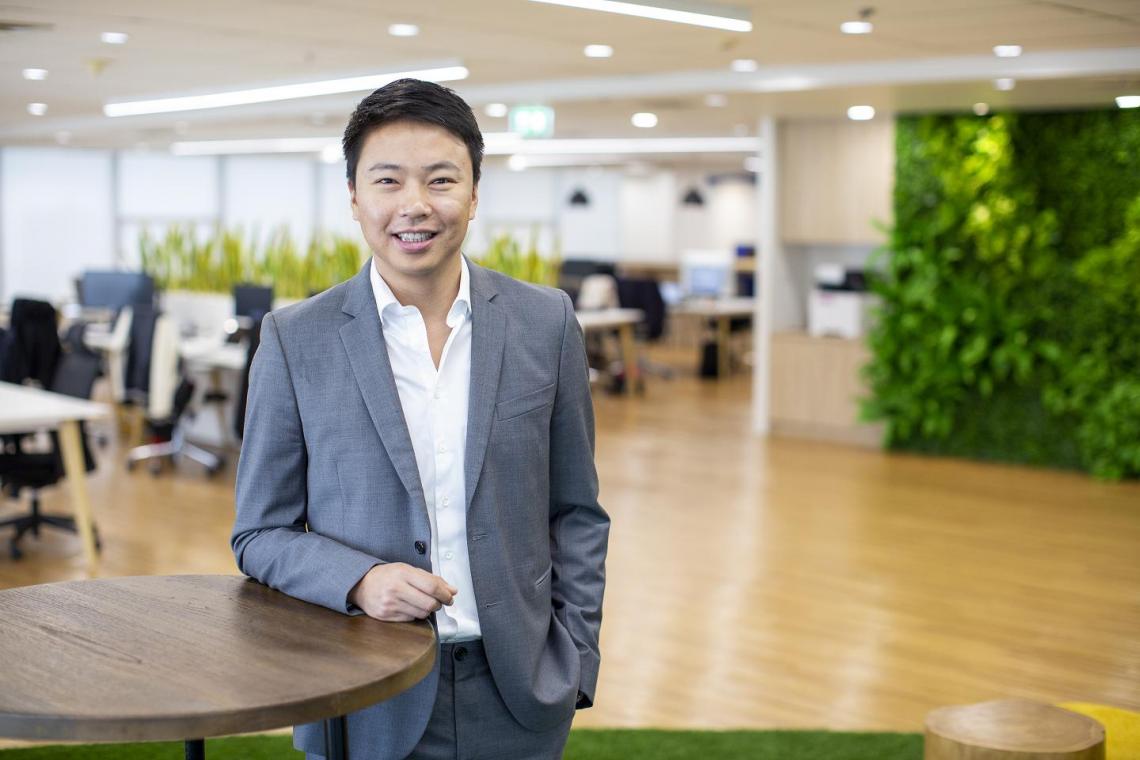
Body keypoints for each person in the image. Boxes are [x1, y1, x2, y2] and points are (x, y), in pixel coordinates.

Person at [231, 78, 609, 760]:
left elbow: (576, 511)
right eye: (388, 181)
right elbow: (259, 534)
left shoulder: (544, 321)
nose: (415, 205)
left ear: (474, 193)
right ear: (354, 197)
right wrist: (358, 581)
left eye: (440, 180)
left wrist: (574, 660)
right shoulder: (295, 340)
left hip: (519, 692)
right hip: (361, 691)